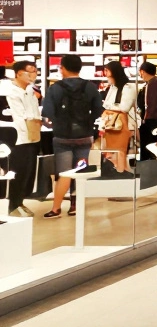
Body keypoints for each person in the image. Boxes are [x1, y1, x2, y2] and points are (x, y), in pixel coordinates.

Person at [41, 55, 103, 219]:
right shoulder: (90, 87)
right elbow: (99, 109)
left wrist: (56, 123)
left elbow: (47, 114)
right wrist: (88, 122)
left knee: (64, 173)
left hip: (62, 137)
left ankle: (56, 208)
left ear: (63, 68)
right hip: (84, 136)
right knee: (81, 171)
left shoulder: (55, 88)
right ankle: (76, 205)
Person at [2, 61, 41, 217]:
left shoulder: (31, 90)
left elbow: (33, 112)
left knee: (27, 171)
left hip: (32, 135)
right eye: (29, 72)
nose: (33, 75)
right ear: (18, 73)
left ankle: (19, 202)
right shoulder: (7, 90)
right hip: (15, 136)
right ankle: (11, 204)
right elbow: (16, 115)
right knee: (15, 171)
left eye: (35, 71)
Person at [99, 60, 137, 170]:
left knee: (120, 151)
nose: (105, 73)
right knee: (111, 152)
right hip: (110, 124)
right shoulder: (112, 86)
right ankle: (117, 171)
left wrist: (110, 107)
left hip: (121, 124)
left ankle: (121, 172)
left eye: (107, 70)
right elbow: (107, 104)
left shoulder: (128, 87)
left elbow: (124, 108)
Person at [137, 62, 157, 161]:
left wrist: (145, 118)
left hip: (152, 120)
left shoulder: (153, 84)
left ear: (143, 71)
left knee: (149, 145)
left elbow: (151, 104)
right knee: (154, 145)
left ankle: (147, 166)